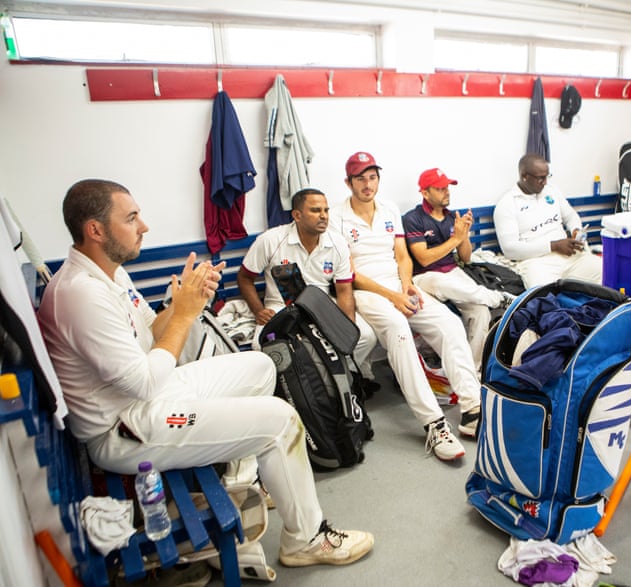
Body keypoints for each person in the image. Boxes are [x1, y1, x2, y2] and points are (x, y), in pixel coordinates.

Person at [38, 179, 373, 568]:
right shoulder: (80, 294)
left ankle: (242, 478)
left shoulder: (109, 274)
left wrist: (189, 304)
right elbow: (144, 378)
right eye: (131, 218)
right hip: (127, 428)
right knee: (281, 420)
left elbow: (150, 335)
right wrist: (182, 315)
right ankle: (306, 540)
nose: (143, 226)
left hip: (147, 395)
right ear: (95, 231)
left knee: (262, 366)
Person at [329, 152, 482, 462]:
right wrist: (391, 296)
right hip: (366, 291)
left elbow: (401, 255)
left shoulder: (388, 209)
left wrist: (407, 284)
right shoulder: (336, 217)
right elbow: (349, 273)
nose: (367, 184)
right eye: (360, 178)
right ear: (348, 183)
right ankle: (434, 423)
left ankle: (472, 407)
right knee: (399, 329)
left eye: (372, 177)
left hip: (399, 284)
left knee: (449, 324)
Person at [237, 187, 378, 384]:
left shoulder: (337, 243)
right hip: (281, 306)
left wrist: (347, 325)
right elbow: (245, 278)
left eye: (326, 210)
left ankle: (336, 384)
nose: (323, 216)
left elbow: (344, 291)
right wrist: (258, 310)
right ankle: (295, 393)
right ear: (297, 215)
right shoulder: (271, 240)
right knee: (264, 347)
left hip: (322, 306)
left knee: (365, 337)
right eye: (315, 210)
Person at [402, 168, 513, 369]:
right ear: (425, 193)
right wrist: (456, 238)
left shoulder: (453, 217)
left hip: (453, 273)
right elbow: (424, 259)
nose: (446, 192)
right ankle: (498, 298)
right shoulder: (413, 219)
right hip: (425, 277)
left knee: (480, 312)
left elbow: (465, 258)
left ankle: (472, 370)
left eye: (447, 187)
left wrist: (464, 236)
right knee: (440, 281)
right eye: (440, 188)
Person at [493, 153, 602, 288]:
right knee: (543, 294)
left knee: (604, 272)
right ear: (524, 176)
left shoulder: (552, 192)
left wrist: (576, 229)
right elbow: (510, 250)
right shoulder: (507, 204)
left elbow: (571, 216)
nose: (545, 182)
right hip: (537, 262)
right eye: (540, 178)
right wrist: (553, 246)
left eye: (547, 176)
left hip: (570, 256)